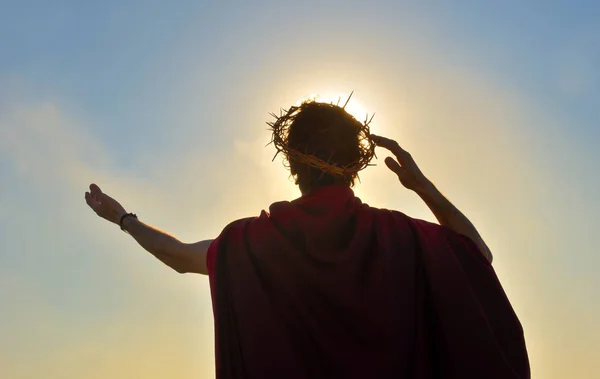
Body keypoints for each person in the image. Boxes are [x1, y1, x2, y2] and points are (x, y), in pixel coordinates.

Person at [85, 100, 529, 378]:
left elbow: (179, 256)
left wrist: (122, 217)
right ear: (357, 165)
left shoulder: (252, 243)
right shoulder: (403, 237)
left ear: (292, 163)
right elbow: (477, 254)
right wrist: (423, 186)